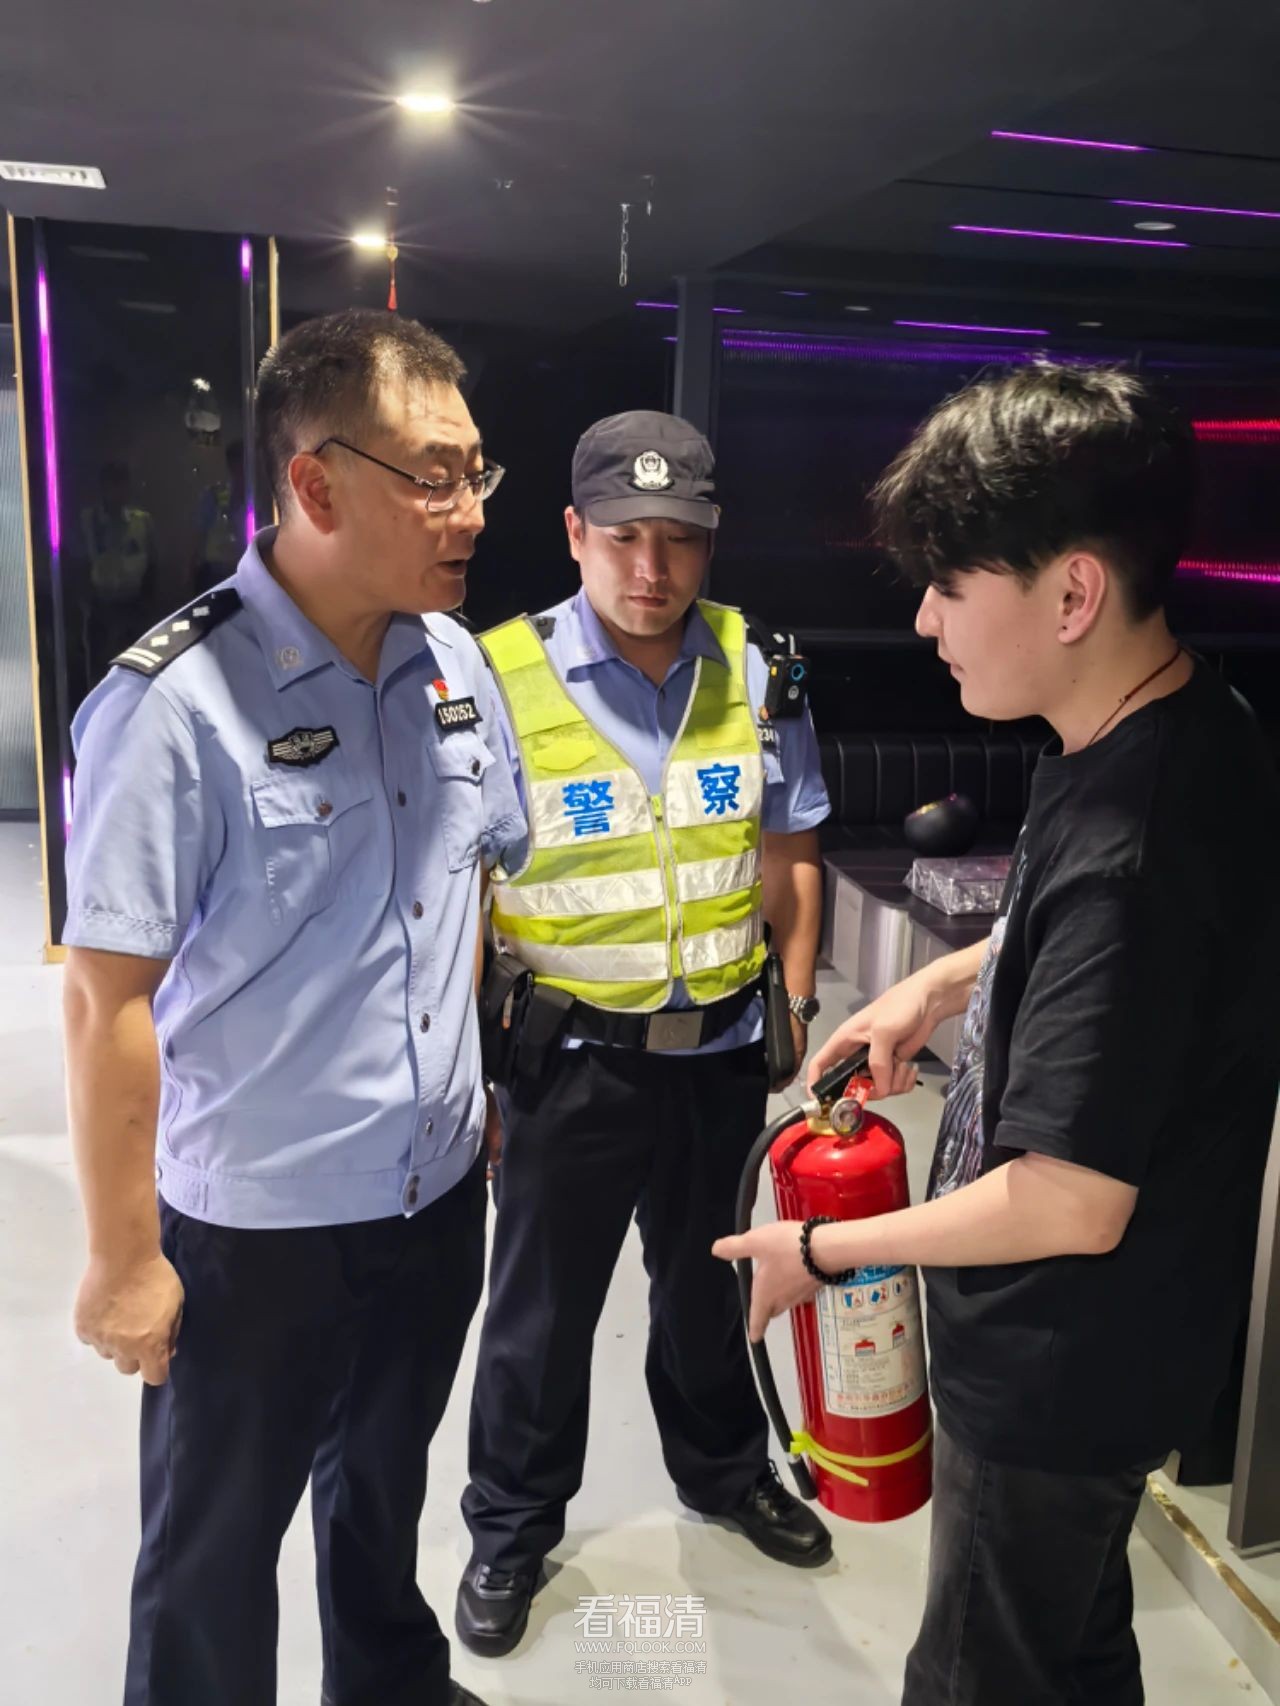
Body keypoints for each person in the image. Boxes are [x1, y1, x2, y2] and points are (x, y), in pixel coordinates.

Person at [715, 362, 1280, 1706]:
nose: (923, 618)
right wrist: (939, 986)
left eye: (949, 585)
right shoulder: (1171, 723)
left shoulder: (1136, 845)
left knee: (980, 1671)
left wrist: (822, 1249)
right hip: (1117, 1351)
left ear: (1072, 593)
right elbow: (1069, 933)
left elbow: (1069, 1198)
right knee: (1072, 1651)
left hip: (1052, 1370)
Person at [62, 308, 518, 1706]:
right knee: (212, 1550)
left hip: (429, 1194)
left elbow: (470, 888)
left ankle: (389, 1685)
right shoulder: (175, 704)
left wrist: (472, 1085)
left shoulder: (455, 666)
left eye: (477, 471)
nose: (470, 510)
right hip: (257, 1226)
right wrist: (123, 1258)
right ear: (315, 483)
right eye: (433, 476)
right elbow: (106, 995)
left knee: (381, 1493)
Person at [455, 410, 833, 1659]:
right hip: (566, 1060)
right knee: (539, 1314)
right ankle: (511, 1527)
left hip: (719, 1058)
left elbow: (790, 849)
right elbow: (460, 890)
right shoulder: (494, 677)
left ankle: (723, 1471)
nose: (650, 566)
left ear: (711, 541)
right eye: (622, 535)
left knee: (709, 1283)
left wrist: (791, 1002)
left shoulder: (759, 667)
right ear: (574, 533)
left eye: (678, 537)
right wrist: (472, 1076)